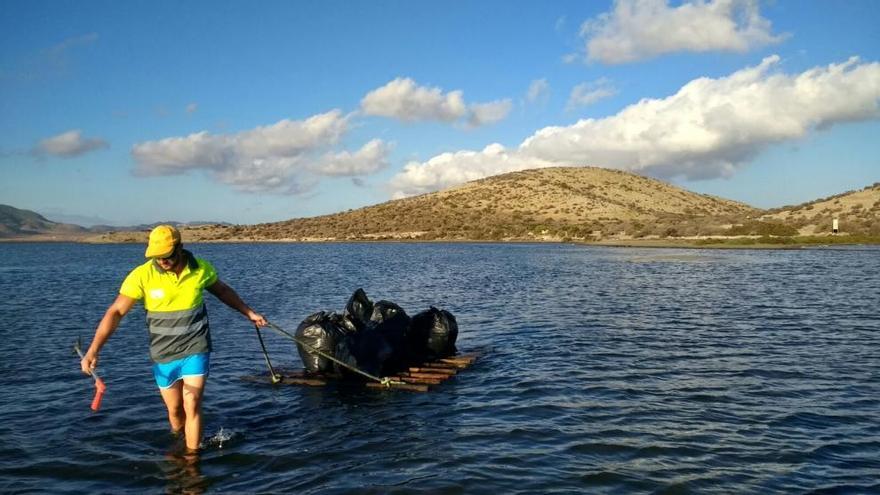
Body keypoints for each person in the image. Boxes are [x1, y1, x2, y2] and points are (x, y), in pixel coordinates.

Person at [80, 225, 267, 453]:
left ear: (180, 247)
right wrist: (94, 350)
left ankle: (192, 461)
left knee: (192, 401)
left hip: (196, 348)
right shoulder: (142, 275)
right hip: (163, 354)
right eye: (156, 256)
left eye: (166, 255)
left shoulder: (200, 269)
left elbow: (223, 291)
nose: (162, 261)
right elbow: (116, 312)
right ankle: (180, 440)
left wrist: (249, 313)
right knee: (176, 410)